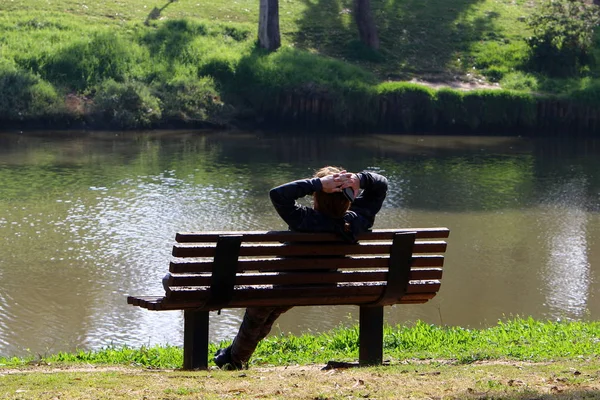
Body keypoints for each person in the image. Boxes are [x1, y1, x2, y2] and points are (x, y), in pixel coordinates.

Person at [214, 166, 388, 369]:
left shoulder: (304, 220)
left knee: (262, 307)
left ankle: (234, 359)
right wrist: (359, 179)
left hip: (285, 287)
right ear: (350, 197)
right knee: (267, 311)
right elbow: (381, 184)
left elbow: (277, 194)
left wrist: (319, 184)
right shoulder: (357, 222)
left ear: (316, 197)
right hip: (319, 287)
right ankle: (233, 357)